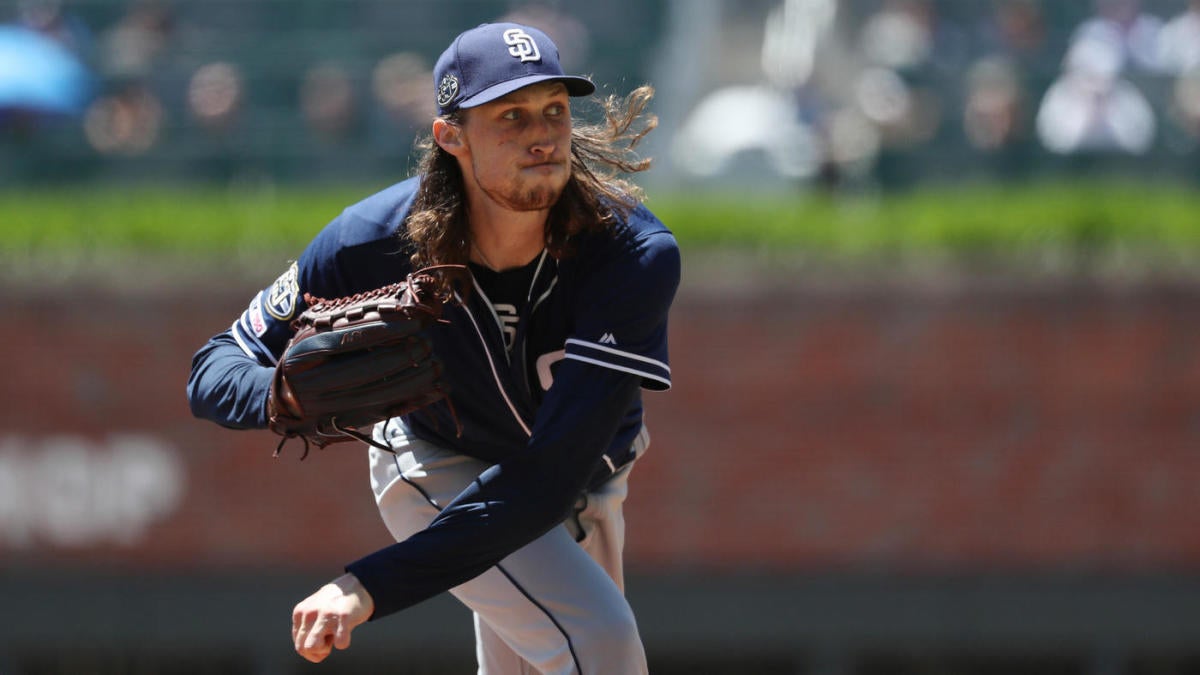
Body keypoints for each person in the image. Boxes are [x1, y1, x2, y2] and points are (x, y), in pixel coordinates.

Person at [186, 21, 679, 674]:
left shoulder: (629, 253)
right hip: (440, 461)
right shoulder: (374, 239)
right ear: (451, 136)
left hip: (580, 486)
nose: (542, 133)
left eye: (554, 109)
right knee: (601, 642)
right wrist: (277, 391)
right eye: (510, 115)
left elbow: (547, 479)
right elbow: (214, 366)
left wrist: (365, 585)